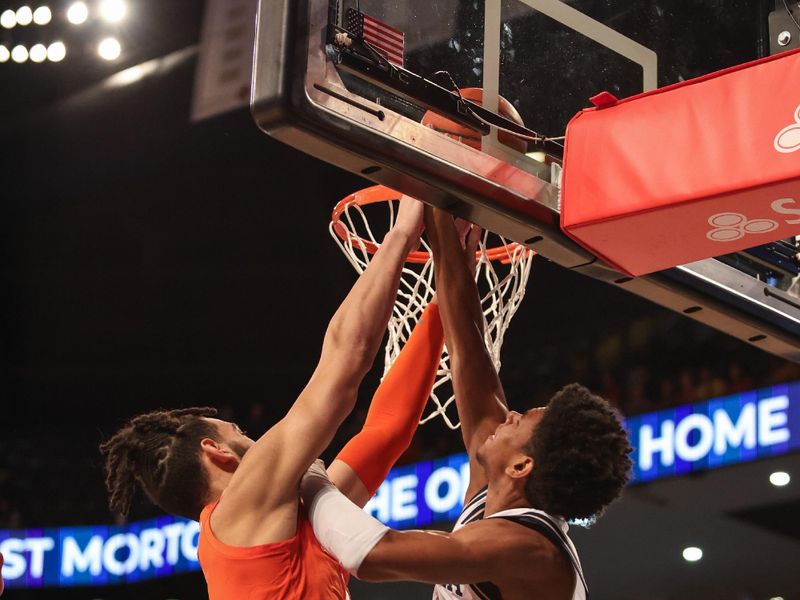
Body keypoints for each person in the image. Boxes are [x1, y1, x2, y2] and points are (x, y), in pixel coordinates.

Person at [99, 197, 447, 599]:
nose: (254, 438)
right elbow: (342, 366)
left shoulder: (281, 521)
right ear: (216, 451)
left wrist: (444, 297)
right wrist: (401, 234)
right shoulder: (236, 507)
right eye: (240, 432)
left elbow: (388, 432)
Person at [299, 206, 633, 600]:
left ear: (522, 464)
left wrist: (303, 474)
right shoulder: (498, 490)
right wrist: (442, 222)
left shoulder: (529, 551)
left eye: (520, 420)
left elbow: (371, 553)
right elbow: (466, 345)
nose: (508, 415)